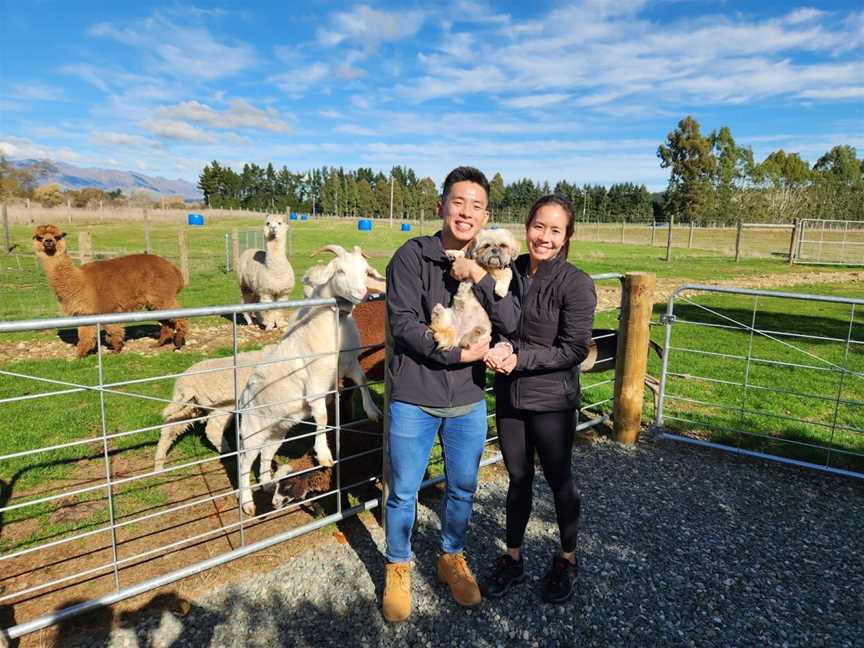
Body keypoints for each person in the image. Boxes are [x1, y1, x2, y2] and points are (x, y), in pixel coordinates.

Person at [382, 166, 518, 623]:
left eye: (476, 206)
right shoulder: (410, 256)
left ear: (485, 216)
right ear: (441, 205)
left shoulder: (494, 264)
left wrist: (478, 273)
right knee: (402, 491)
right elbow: (402, 325)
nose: (466, 212)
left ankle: (451, 557)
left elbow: (511, 320)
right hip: (415, 396)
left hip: (468, 401)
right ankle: (397, 566)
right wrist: (457, 356)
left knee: (462, 487)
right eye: (458, 202)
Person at [481, 194, 596, 603]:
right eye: (538, 227)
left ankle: (567, 558)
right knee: (518, 479)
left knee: (559, 480)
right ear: (526, 227)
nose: (544, 237)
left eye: (554, 230)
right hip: (511, 397)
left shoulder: (576, 283)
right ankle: (514, 557)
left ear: (566, 236)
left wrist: (517, 356)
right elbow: (496, 320)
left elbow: (574, 349)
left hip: (551, 401)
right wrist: (494, 345)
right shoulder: (509, 273)